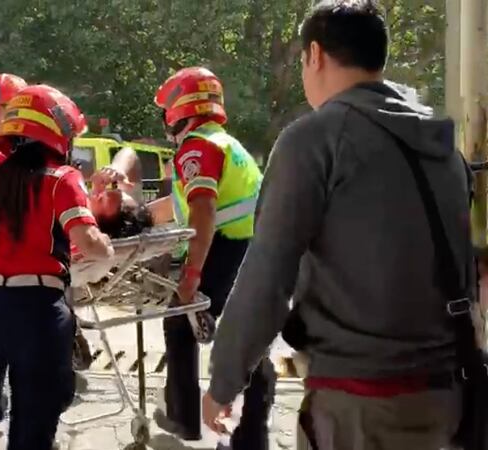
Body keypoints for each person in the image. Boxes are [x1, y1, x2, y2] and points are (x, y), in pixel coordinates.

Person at [202, 2, 470, 450]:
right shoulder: (442, 145)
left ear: (315, 55)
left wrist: (223, 381)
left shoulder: (315, 139)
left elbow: (267, 276)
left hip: (361, 404)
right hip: (453, 397)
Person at [0, 85, 114, 449]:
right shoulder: (62, 179)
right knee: (34, 419)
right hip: (36, 309)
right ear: (59, 135)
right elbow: (87, 241)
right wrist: (107, 248)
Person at [151, 66, 275, 448]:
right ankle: (248, 435)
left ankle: (184, 417)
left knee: (179, 323)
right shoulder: (224, 143)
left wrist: (191, 274)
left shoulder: (196, 148)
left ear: (177, 111)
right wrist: (137, 215)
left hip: (227, 248)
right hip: (253, 249)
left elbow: (202, 210)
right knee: (251, 342)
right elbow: (184, 206)